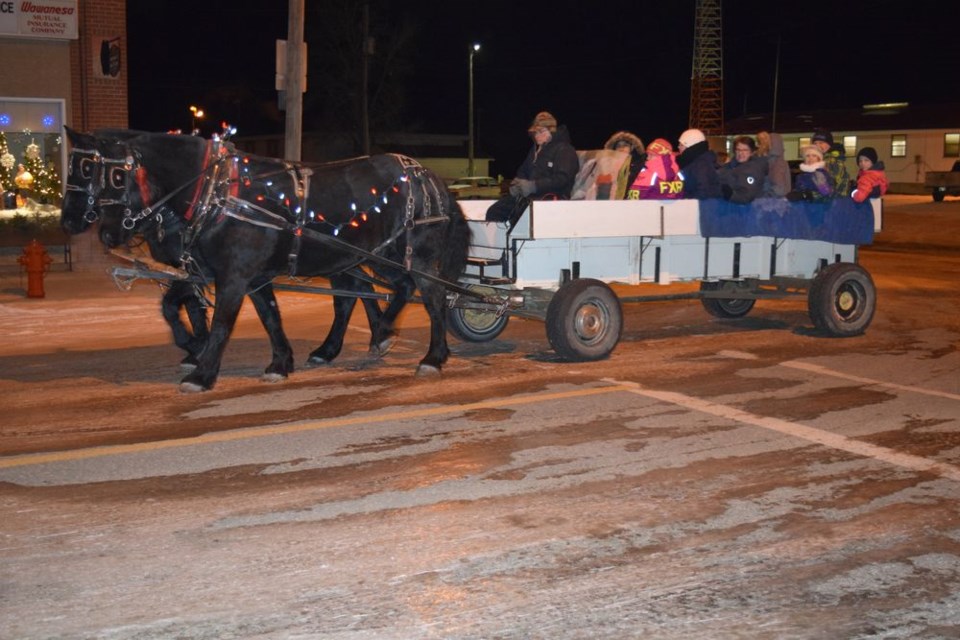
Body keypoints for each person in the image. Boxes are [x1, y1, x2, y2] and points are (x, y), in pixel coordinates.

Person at [485, 111, 579, 222]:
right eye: (535, 132)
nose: (537, 136)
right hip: (532, 197)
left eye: (541, 131)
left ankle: (515, 238)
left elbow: (562, 179)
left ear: (552, 130)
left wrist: (533, 186)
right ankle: (502, 238)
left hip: (552, 198)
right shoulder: (535, 150)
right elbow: (523, 171)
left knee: (519, 216)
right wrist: (517, 184)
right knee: (495, 211)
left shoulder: (564, 150)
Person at [717, 136, 767, 203]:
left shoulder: (754, 169)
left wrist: (730, 194)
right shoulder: (728, 167)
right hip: (727, 208)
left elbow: (746, 195)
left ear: (752, 152)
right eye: (738, 150)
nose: (740, 153)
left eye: (745, 150)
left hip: (745, 210)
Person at [675, 128, 721, 199]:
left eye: (681, 145)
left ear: (690, 146)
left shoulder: (701, 165)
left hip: (700, 208)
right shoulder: (690, 163)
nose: (678, 147)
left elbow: (703, 192)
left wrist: (684, 198)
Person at [811, 129, 852, 197]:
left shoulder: (833, 161)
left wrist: (808, 195)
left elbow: (829, 186)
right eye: (815, 143)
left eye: (821, 143)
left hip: (834, 203)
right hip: (828, 202)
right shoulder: (820, 160)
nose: (817, 146)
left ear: (829, 144)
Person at [756, 131, 791, 197]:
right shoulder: (772, 160)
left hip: (771, 202)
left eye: (764, 141)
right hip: (773, 201)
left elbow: (780, 189)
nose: (760, 145)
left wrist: (763, 195)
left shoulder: (776, 163)